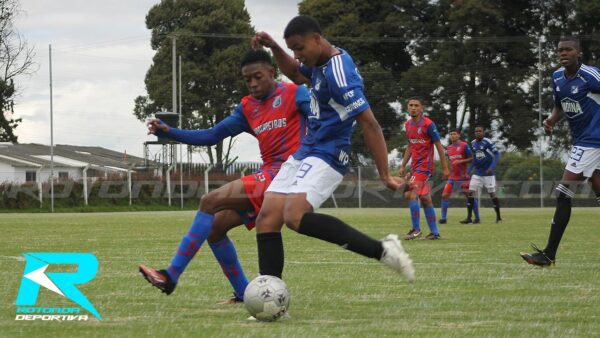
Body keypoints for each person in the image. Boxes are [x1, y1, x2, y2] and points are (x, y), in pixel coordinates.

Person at [138, 49, 312, 302]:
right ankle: (243, 293)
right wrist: (170, 132)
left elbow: (323, 118)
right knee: (216, 228)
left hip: (289, 173)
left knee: (209, 201)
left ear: (272, 73)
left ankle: (171, 275)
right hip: (270, 174)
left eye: (258, 77)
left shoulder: (295, 93)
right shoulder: (246, 108)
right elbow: (212, 135)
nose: (252, 84)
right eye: (247, 79)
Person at [251, 15, 415, 281]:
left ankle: (383, 250)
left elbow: (370, 124)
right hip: (307, 149)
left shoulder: (340, 73)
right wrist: (275, 47)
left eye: (299, 47)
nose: (297, 54)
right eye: (292, 48)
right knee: (267, 217)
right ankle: (271, 293)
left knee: (294, 215)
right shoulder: (317, 61)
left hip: (329, 153)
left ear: (317, 39)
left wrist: (384, 175)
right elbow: (293, 71)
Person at [521, 36, 600, 267]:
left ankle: (548, 254)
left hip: (592, 140)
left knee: (564, 192)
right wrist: (552, 120)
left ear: (578, 52)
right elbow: (560, 104)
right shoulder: (557, 77)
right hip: (583, 140)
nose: (563, 53)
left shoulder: (591, 76)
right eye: (560, 50)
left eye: (568, 50)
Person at [399, 97, 450, 240]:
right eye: (411, 105)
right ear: (407, 108)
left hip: (425, 167)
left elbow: (439, 146)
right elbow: (410, 146)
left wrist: (445, 168)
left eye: (416, 105)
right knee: (425, 198)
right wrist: (403, 165)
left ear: (422, 109)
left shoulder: (428, 124)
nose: (413, 108)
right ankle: (435, 233)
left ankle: (416, 229)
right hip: (415, 168)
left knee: (410, 194)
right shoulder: (408, 125)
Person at [462, 126, 502, 224]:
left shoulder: (487, 142)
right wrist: (468, 171)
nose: (478, 133)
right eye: (476, 131)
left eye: (480, 131)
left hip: (489, 174)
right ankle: (469, 218)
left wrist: (491, 168)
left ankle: (498, 218)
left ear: (483, 132)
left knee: (492, 194)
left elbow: (497, 154)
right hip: (478, 174)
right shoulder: (473, 143)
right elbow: (475, 159)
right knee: (470, 193)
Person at [439, 129, 474, 224]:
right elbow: (450, 162)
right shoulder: (448, 148)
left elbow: (472, 158)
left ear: (458, 135)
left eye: (454, 134)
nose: (452, 136)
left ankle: (476, 218)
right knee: (444, 195)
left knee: (469, 197)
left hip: (463, 177)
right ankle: (443, 219)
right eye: (451, 134)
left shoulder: (464, 145)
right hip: (452, 177)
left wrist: (461, 161)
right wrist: (446, 172)